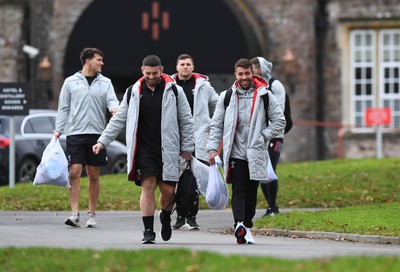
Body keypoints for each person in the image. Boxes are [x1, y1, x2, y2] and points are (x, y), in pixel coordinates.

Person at [92, 55, 194, 244]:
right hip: (144, 150)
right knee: (148, 186)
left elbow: (187, 121)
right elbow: (118, 119)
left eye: (155, 73)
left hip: (169, 150)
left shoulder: (175, 91)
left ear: (162, 70)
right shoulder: (133, 92)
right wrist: (102, 141)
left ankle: (165, 215)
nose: (151, 76)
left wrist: (187, 149)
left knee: (169, 191)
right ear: (142, 71)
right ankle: (148, 232)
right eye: (148, 73)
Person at [207, 58, 285, 244]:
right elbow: (216, 125)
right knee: (239, 188)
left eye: (247, 73)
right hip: (234, 152)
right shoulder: (226, 96)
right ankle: (239, 224)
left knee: (251, 191)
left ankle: (247, 226)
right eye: (240, 74)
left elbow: (279, 121)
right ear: (236, 75)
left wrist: (262, 136)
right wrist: (212, 149)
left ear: (253, 73)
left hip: (256, 151)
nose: (244, 77)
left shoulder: (265, 95)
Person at [53, 47, 119, 228]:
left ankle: (92, 214)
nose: (102, 63)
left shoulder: (105, 82)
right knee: (74, 172)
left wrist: (114, 108)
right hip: (75, 133)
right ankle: (74, 214)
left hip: (97, 134)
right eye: (99, 60)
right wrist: (58, 129)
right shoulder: (70, 82)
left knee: (94, 175)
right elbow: (64, 107)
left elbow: (112, 100)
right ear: (88, 61)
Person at [171, 54, 219, 230]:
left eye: (188, 64)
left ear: (193, 67)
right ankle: (178, 216)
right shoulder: (170, 85)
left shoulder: (203, 86)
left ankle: (191, 217)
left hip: (199, 136)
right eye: (182, 64)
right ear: (177, 67)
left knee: (194, 180)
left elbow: (218, 103)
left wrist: (213, 123)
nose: (185, 67)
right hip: (176, 137)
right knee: (178, 179)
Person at [250, 57, 286, 217]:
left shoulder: (275, 86)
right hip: (259, 136)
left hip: (274, 136)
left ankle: (273, 206)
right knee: (262, 170)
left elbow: (278, 111)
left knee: (270, 167)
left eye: (253, 69)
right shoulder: (254, 86)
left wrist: (266, 131)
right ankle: (271, 206)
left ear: (261, 69)